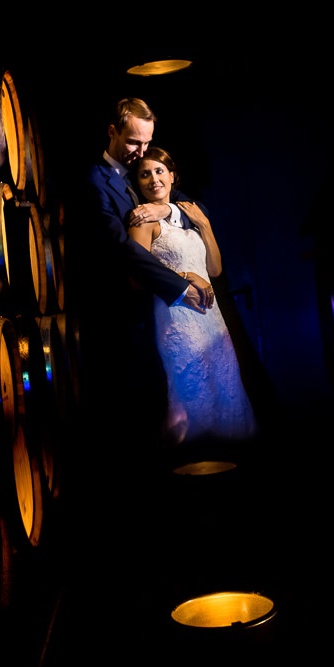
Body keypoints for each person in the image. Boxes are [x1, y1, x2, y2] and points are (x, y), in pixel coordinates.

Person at [73, 98, 215, 451]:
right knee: (143, 417)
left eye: (148, 143)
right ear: (112, 132)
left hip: (160, 318)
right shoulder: (95, 180)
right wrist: (181, 284)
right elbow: (124, 249)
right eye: (135, 142)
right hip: (124, 317)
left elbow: (195, 208)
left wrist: (164, 206)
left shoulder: (143, 170)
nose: (142, 151)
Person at [128, 147, 256, 445]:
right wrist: (185, 276)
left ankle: (234, 456)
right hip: (177, 319)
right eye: (144, 174)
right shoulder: (142, 221)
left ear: (172, 176)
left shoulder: (189, 215)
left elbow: (214, 268)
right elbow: (136, 280)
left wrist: (205, 224)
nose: (153, 179)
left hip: (212, 321)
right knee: (191, 392)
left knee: (225, 387)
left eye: (159, 171)